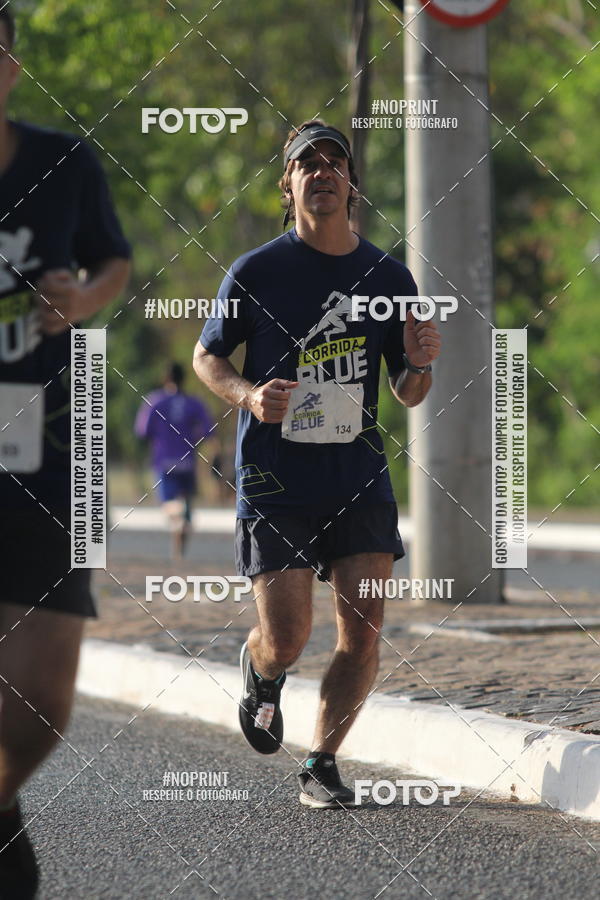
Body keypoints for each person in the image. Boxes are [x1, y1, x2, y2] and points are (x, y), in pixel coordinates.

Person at [193, 120, 441, 808]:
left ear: (352, 183)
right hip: (276, 480)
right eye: (309, 164)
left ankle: (322, 761)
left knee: (363, 633)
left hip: (357, 476)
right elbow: (206, 356)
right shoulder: (258, 270)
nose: (323, 172)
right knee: (289, 635)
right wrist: (247, 395)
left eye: (335, 162)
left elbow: (409, 391)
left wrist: (420, 360)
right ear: (289, 184)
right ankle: (262, 670)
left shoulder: (389, 275)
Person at [0, 10, 131, 895]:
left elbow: (113, 265)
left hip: (48, 446)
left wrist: (80, 300)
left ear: (9, 66)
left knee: (40, 702)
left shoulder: (62, 163)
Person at [135, 362, 215, 558]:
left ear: (166, 379)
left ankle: (179, 511)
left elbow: (142, 430)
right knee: (185, 512)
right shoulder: (194, 403)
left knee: (168, 505)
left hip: (164, 461)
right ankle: (179, 555)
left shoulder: (155, 401)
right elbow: (208, 430)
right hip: (187, 461)